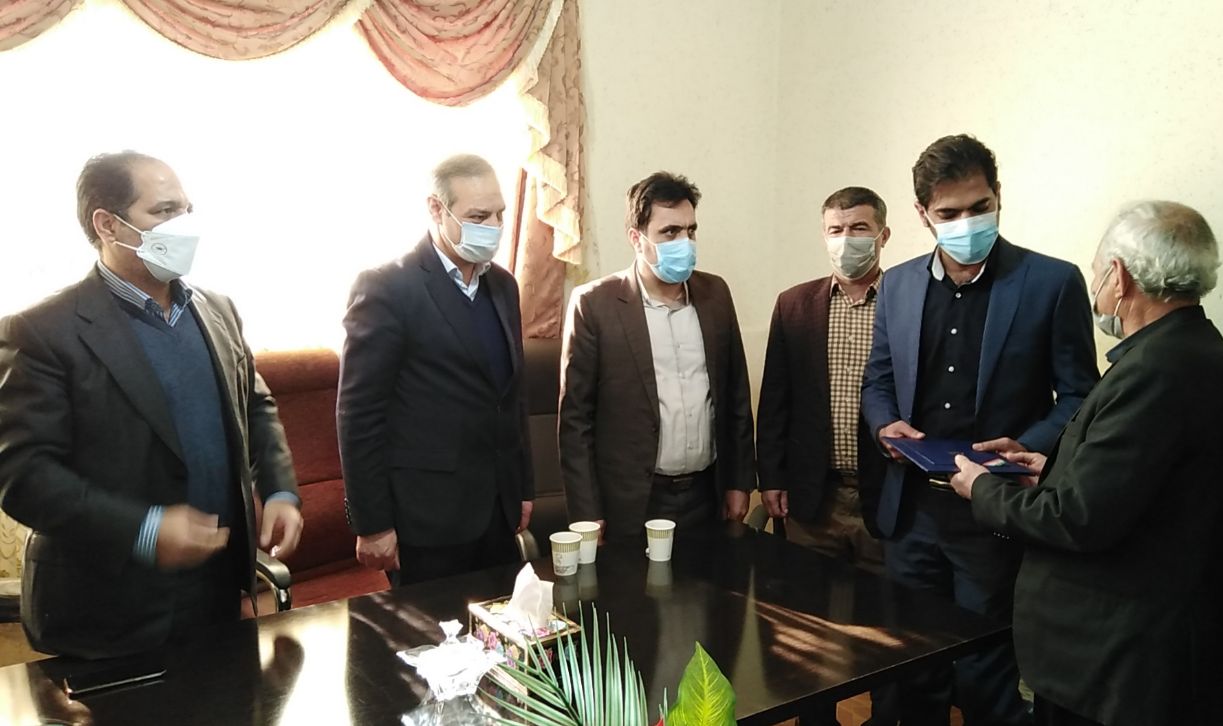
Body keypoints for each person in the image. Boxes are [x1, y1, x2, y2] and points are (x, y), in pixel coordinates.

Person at [950, 201, 1223, 726]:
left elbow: (1077, 519)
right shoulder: (1215, 359)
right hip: (1170, 654)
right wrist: (1050, 469)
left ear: (1118, 277)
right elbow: (1145, 487)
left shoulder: (1155, 372)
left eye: (1097, 272)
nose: (1097, 286)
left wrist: (982, 488)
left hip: (1123, 668)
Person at [0, 151, 302, 659]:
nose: (183, 224)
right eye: (164, 211)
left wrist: (279, 490)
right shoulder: (41, 332)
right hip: (105, 608)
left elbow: (255, 404)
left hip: (216, 593)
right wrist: (145, 530)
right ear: (107, 225)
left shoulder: (217, 310)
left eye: (186, 209)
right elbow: (22, 476)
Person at [861, 134, 1099, 724]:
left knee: (987, 676)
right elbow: (878, 381)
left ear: (998, 197)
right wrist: (884, 425)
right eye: (949, 213)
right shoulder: (898, 284)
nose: (967, 223)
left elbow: (1079, 395)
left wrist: (1029, 446)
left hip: (996, 515)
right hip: (911, 512)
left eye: (979, 207)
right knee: (912, 665)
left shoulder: (1051, 282)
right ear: (922, 214)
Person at [338, 153, 533, 588]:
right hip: (427, 519)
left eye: (500, 214)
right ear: (436, 209)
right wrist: (372, 524)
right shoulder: (388, 288)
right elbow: (359, 415)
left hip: (498, 512)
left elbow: (512, 396)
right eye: (478, 216)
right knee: (433, 631)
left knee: (505, 625)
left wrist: (523, 487)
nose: (494, 226)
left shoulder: (503, 286)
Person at [559, 171, 755, 543]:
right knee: (632, 583)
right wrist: (587, 513)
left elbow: (736, 397)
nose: (685, 242)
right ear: (637, 238)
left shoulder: (715, 294)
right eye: (670, 232)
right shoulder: (595, 305)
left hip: (705, 494)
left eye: (691, 231)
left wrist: (739, 481)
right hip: (632, 501)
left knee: (710, 581)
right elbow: (576, 421)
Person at [757, 186, 890, 568]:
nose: (846, 239)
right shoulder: (793, 305)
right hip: (812, 497)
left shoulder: (907, 302)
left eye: (859, 228)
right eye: (836, 230)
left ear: (883, 235)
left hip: (884, 497)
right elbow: (775, 402)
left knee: (885, 602)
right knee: (803, 596)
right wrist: (771, 479)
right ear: (824, 236)